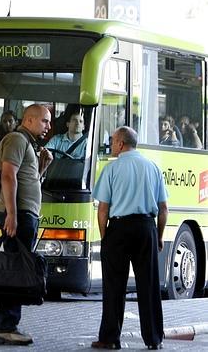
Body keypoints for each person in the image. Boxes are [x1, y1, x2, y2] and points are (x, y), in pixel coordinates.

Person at [91, 126, 167, 350]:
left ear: (121, 144)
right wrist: (159, 236)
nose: (112, 144)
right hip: (146, 227)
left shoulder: (111, 169)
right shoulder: (153, 167)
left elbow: (103, 209)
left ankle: (110, 338)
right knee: (149, 284)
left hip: (119, 228)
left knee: (114, 285)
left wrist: (105, 237)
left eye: (113, 141)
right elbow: (163, 209)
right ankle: (154, 338)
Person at [0, 104, 53, 345]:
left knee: (16, 268)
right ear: (29, 120)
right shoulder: (17, 140)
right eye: (45, 121)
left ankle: (7, 325)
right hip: (18, 215)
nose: (48, 126)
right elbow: (8, 176)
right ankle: (6, 327)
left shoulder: (27, 143)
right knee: (15, 271)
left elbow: (26, 179)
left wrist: (42, 167)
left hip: (24, 213)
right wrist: (12, 214)